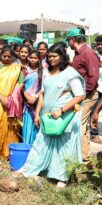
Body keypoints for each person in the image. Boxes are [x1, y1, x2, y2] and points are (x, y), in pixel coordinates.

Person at [14, 42, 85, 188]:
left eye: (55, 56)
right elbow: (42, 94)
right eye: (50, 56)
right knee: (41, 143)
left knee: (63, 146)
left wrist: (62, 110)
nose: (51, 59)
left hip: (64, 117)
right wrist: (37, 114)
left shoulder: (70, 73)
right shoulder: (46, 72)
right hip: (47, 116)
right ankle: (29, 168)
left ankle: (62, 178)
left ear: (62, 56)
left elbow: (79, 96)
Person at [67, 27, 100, 161]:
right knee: (82, 125)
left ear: (73, 39)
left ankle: (80, 158)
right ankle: (86, 157)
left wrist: (83, 95)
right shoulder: (78, 53)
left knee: (78, 125)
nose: (68, 43)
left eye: (68, 40)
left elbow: (93, 77)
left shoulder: (88, 53)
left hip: (88, 95)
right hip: (81, 94)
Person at [0, 45, 24, 160]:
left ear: (13, 56)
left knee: (12, 126)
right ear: (0, 55)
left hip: (12, 102)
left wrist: (11, 97)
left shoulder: (17, 68)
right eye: (4, 56)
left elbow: (20, 83)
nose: (7, 58)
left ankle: (10, 153)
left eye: (9, 56)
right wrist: (1, 98)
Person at [21, 50, 43, 144]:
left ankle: (36, 147)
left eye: (35, 58)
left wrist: (35, 97)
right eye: (31, 58)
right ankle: (27, 145)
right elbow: (20, 86)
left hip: (38, 102)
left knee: (36, 122)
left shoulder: (42, 71)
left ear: (39, 59)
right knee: (27, 123)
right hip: (26, 102)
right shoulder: (24, 70)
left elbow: (43, 87)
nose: (33, 60)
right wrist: (27, 97)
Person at [89, 35, 102, 143]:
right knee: (94, 111)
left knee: (95, 112)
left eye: (101, 44)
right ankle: (94, 134)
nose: (99, 46)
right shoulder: (96, 56)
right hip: (97, 89)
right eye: (98, 44)